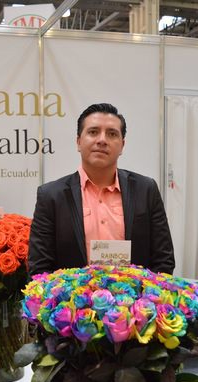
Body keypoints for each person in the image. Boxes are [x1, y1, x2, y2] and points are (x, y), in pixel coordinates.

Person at [28, 103, 174, 276]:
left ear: (122, 145)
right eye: (93, 132)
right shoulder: (51, 195)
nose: (102, 140)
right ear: (78, 142)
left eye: (112, 134)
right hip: (72, 294)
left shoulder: (146, 190)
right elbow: (39, 268)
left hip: (136, 293)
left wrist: (145, 293)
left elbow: (163, 260)